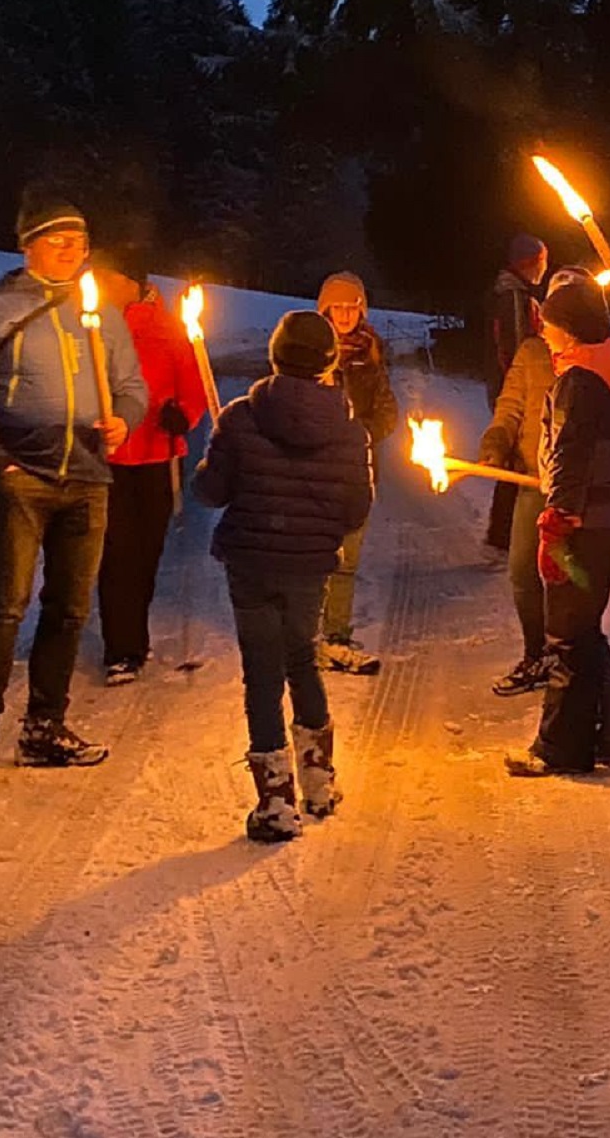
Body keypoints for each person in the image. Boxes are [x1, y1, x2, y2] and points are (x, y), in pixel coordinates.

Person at [0, 191, 147, 796]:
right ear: (28, 244)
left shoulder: (101, 314)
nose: (72, 252)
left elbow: (131, 384)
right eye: (58, 241)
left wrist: (124, 420)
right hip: (20, 480)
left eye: (80, 243)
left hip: (87, 480)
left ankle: (45, 727)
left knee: (69, 609)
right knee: (5, 608)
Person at [196, 310, 375, 841]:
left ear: (273, 356)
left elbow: (212, 493)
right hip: (308, 565)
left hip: (250, 564)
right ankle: (318, 782)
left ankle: (275, 803)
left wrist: (214, 462)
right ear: (329, 363)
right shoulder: (349, 430)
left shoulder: (239, 417)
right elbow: (356, 512)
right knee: (303, 659)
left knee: (262, 673)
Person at [505, 274, 610, 777]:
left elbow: (569, 454)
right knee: (584, 629)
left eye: (549, 324)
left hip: (581, 525)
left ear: (567, 327)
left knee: (566, 634)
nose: (544, 333)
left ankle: (560, 749)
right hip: (608, 521)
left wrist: (556, 523)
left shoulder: (577, 380)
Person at [91, 247, 211, 682]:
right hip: (108, 458)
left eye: (109, 276)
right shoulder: (93, 325)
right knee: (117, 552)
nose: (101, 283)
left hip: (157, 456)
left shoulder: (168, 327)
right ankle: (119, 649)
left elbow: (193, 386)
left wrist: (185, 413)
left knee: (147, 552)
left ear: (132, 281)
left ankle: (133, 634)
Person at [478, 268, 582, 696]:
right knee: (523, 570)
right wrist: (495, 443)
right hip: (530, 481)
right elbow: (509, 407)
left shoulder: (593, 358)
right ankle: (536, 652)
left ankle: (571, 658)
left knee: (568, 577)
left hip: (575, 491)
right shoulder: (532, 353)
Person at [315, 272, 400, 674]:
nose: (346, 314)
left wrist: (361, 434)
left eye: (354, 306)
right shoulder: (306, 348)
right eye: (339, 306)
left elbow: (387, 410)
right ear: (325, 308)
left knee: (346, 559)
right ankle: (302, 635)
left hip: (357, 473)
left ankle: (335, 637)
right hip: (313, 473)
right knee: (312, 556)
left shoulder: (371, 352)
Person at [482, 235, 549, 551]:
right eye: (541, 262)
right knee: (513, 459)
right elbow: (517, 349)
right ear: (530, 263)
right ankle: (502, 536)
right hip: (514, 390)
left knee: (514, 458)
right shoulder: (512, 298)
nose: (544, 269)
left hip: (516, 387)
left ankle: (504, 535)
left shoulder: (519, 296)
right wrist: (518, 389)